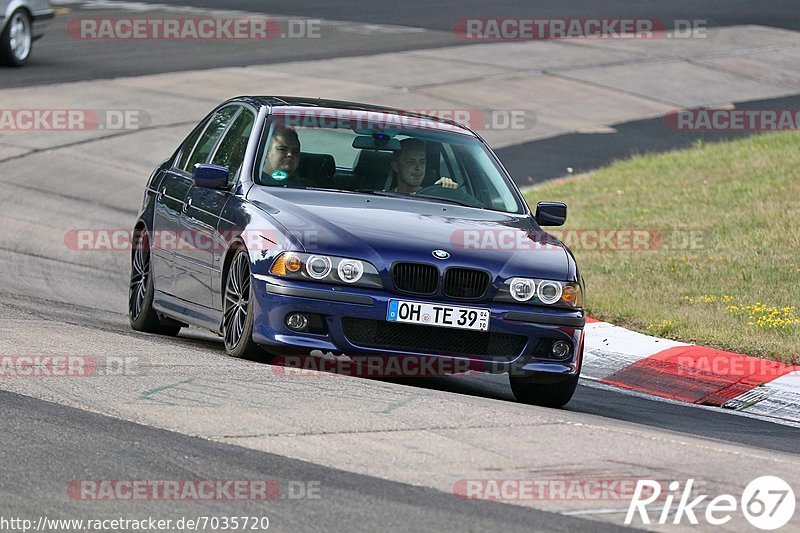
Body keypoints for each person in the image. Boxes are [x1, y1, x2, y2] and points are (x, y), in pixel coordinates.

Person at [391, 138, 459, 194]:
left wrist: (445, 190)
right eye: (411, 162)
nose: (418, 168)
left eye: (422, 162)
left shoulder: (435, 197)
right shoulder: (384, 198)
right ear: (396, 166)